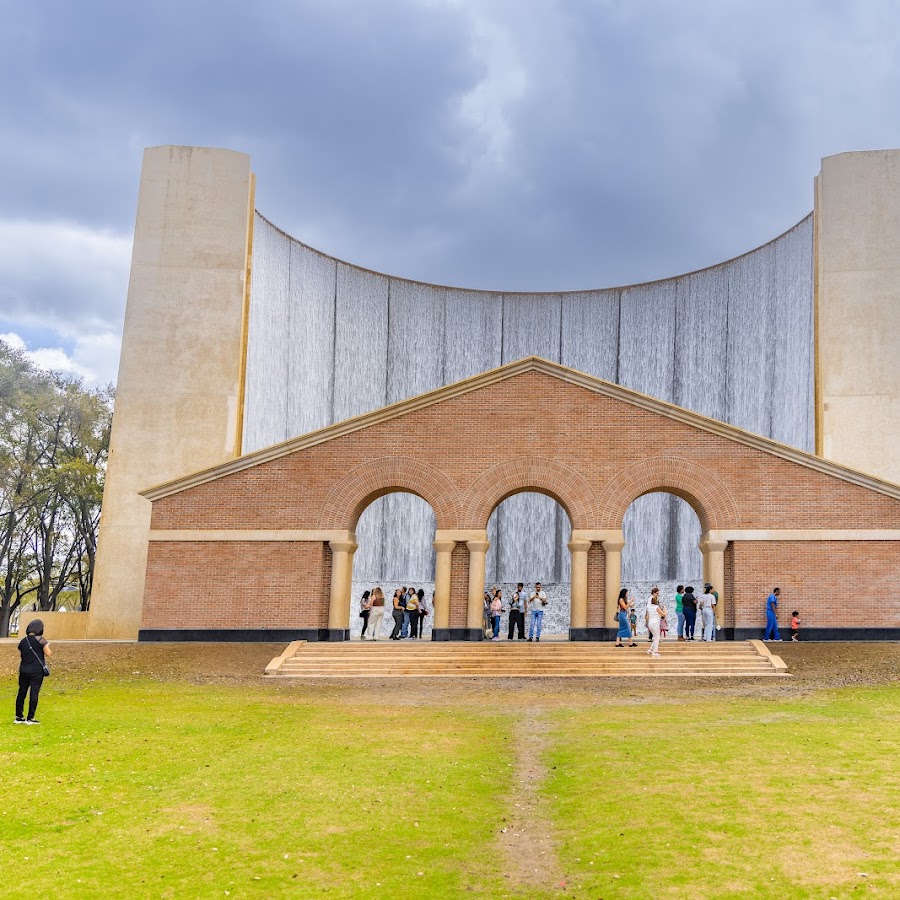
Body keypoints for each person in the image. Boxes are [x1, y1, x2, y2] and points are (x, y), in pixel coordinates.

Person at [16, 619, 51, 725]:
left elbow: (22, 652)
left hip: (24, 669)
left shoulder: (23, 641)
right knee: (34, 692)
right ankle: (30, 717)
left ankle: (18, 716)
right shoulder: (41, 640)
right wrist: (47, 646)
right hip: (36, 670)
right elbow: (48, 653)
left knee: (22, 692)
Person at [645, 593, 662, 657]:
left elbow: (647, 614)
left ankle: (650, 650)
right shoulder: (656, 607)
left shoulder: (649, 607)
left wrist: (646, 622)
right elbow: (664, 614)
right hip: (655, 623)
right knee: (657, 638)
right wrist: (665, 609)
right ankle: (655, 652)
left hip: (650, 623)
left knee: (655, 637)